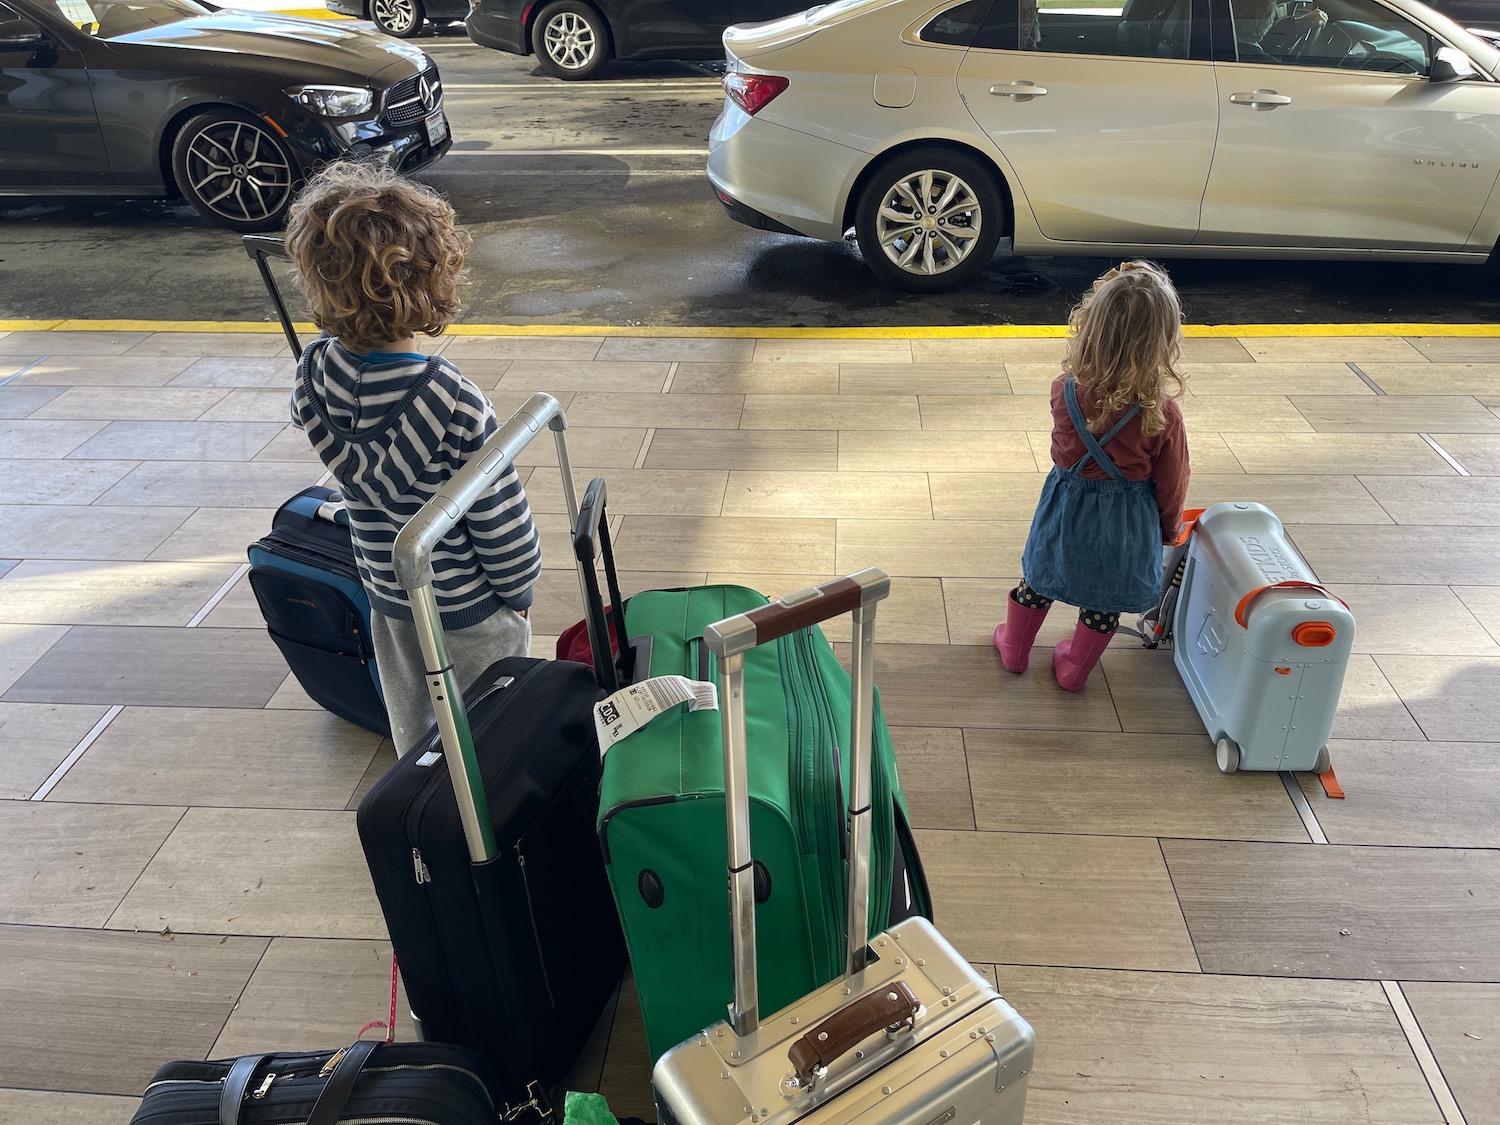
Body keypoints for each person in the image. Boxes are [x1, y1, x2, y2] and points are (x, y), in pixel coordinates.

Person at [285, 161, 541, 755]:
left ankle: (417, 793)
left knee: (412, 715)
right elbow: (499, 524)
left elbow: (307, 419)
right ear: (431, 278)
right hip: (469, 603)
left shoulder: (314, 370)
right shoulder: (453, 401)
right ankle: (487, 815)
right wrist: (519, 593)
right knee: (492, 727)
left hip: (387, 589)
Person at [993, 260, 1190, 692]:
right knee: (1104, 602)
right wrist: (1169, 527)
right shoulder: (1162, 414)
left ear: (1090, 326)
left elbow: (1061, 452)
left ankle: (1015, 648)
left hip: (1067, 506)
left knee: (1038, 580)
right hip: (1126, 520)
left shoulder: (1064, 389)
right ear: (1162, 341)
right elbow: (1172, 481)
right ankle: (1073, 670)